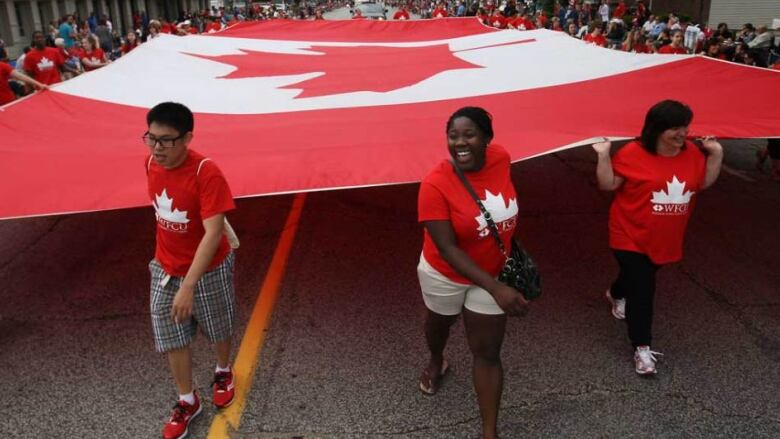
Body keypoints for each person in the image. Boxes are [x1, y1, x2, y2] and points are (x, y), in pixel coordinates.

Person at [417, 107, 527, 439]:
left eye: (469, 135)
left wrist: (495, 283)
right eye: (453, 136)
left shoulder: (501, 158)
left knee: (488, 352)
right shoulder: (434, 184)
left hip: (493, 275)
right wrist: (497, 288)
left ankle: (489, 433)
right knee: (439, 324)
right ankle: (437, 359)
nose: (460, 143)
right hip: (445, 273)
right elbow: (448, 249)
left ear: (488, 139)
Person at [592, 100, 723, 375]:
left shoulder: (691, 154)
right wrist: (603, 156)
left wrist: (716, 154)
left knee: (640, 275)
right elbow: (608, 184)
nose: (682, 133)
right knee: (643, 289)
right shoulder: (632, 153)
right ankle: (642, 348)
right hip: (628, 232)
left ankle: (615, 292)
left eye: (685, 127)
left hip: (665, 236)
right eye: (674, 128)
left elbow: (703, 183)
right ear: (656, 129)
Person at [143, 102, 238, 439]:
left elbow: (213, 232)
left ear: (187, 138)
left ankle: (223, 370)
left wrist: (189, 285)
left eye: (166, 140)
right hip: (165, 266)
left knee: (218, 324)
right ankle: (187, 399)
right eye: (151, 138)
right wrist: (174, 275)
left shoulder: (206, 173)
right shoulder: (151, 163)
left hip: (208, 267)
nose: (157, 148)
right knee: (171, 334)